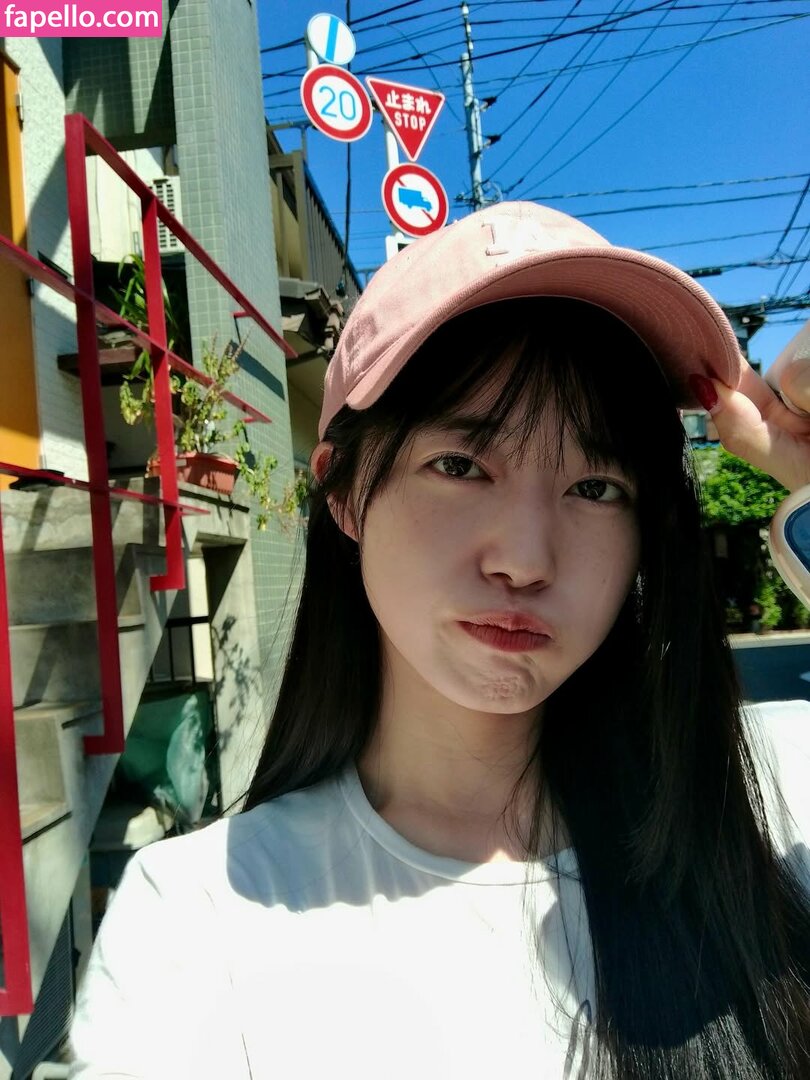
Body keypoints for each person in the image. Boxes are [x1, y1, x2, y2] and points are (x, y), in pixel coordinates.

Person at [68, 202, 810, 1079]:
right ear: (345, 493)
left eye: (597, 487)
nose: (525, 560)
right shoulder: (197, 919)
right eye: (460, 466)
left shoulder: (769, 803)